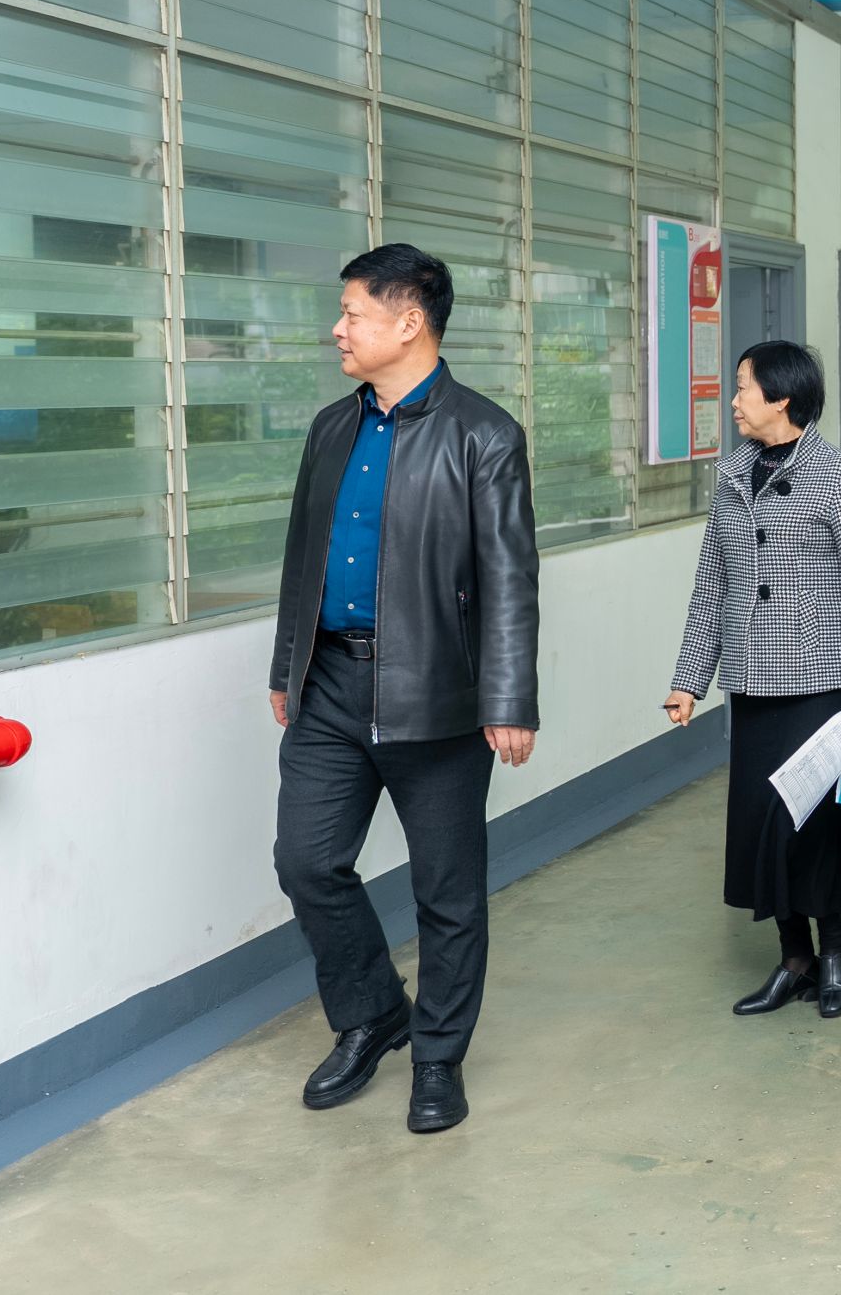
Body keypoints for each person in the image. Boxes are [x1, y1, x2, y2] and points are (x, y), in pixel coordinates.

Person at [269, 243, 541, 1134]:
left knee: (446, 891)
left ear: (409, 321)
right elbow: (302, 556)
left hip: (439, 693)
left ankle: (437, 1058)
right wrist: (286, 664)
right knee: (307, 861)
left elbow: (510, 578)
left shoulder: (484, 435)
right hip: (331, 685)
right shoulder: (330, 428)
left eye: (352, 313)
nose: (337, 329)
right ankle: (373, 1012)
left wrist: (509, 698)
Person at [664, 341, 841, 1020]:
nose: (733, 399)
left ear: (781, 398)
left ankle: (835, 950)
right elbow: (712, 584)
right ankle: (793, 958)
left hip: (824, 681)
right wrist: (689, 679)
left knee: (818, 823)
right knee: (765, 821)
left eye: (743, 387)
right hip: (753, 681)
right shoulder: (733, 474)